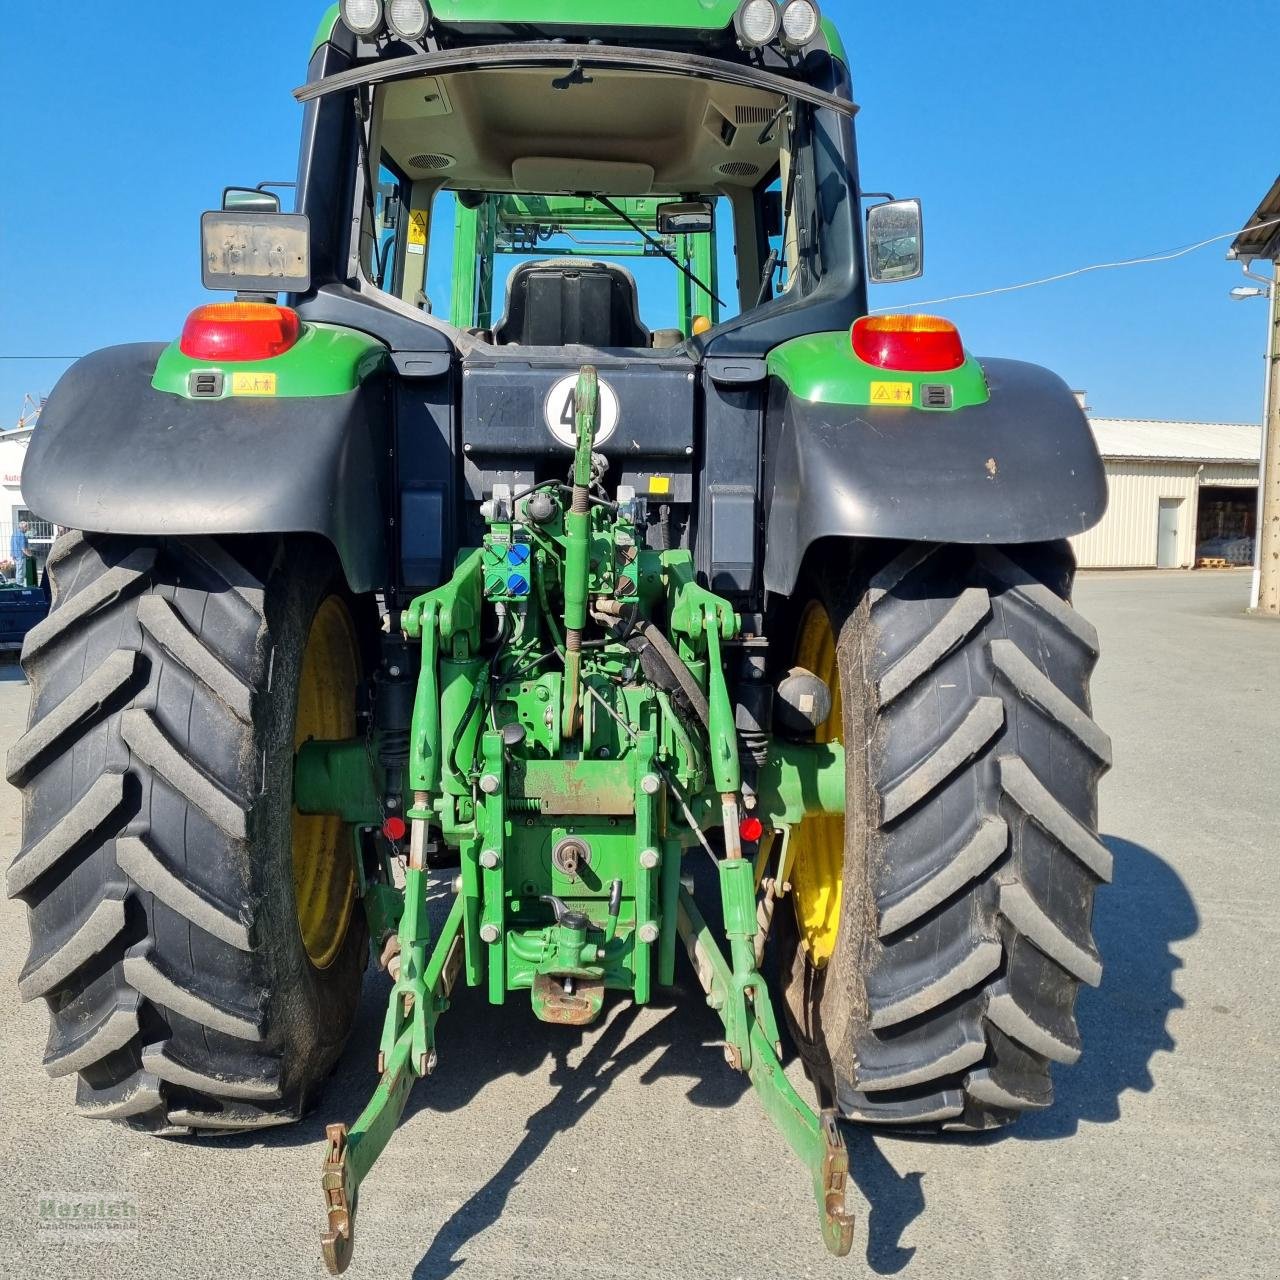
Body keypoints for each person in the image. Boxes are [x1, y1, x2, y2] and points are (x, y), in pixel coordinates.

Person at [9, 522, 37, 587]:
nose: (27, 529)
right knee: (21, 572)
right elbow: (23, 548)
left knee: (18, 571)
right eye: (26, 527)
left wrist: (12, 555)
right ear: (23, 527)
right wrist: (31, 555)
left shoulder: (14, 533)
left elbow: (12, 545)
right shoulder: (21, 535)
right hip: (20, 556)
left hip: (15, 555)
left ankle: (18, 584)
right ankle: (19, 586)